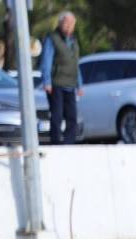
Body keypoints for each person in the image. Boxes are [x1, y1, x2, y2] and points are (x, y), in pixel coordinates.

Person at [39, 11, 83, 144]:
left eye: (72, 24)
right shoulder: (52, 38)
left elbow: (76, 64)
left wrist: (79, 85)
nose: (69, 26)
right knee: (57, 116)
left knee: (72, 117)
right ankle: (56, 142)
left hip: (70, 85)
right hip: (56, 84)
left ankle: (69, 143)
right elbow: (46, 62)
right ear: (60, 24)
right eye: (67, 23)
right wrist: (47, 82)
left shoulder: (74, 41)